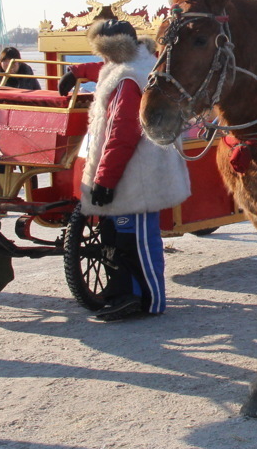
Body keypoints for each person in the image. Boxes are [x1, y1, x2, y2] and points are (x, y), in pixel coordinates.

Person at [59, 20, 190, 321]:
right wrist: (77, 72)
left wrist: (104, 180)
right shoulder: (139, 64)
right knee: (119, 236)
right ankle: (124, 293)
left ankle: (146, 300)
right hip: (137, 171)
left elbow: (121, 135)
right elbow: (104, 70)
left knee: (136, 239)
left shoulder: (128, 80)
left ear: (111, 49)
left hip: (137, 174)